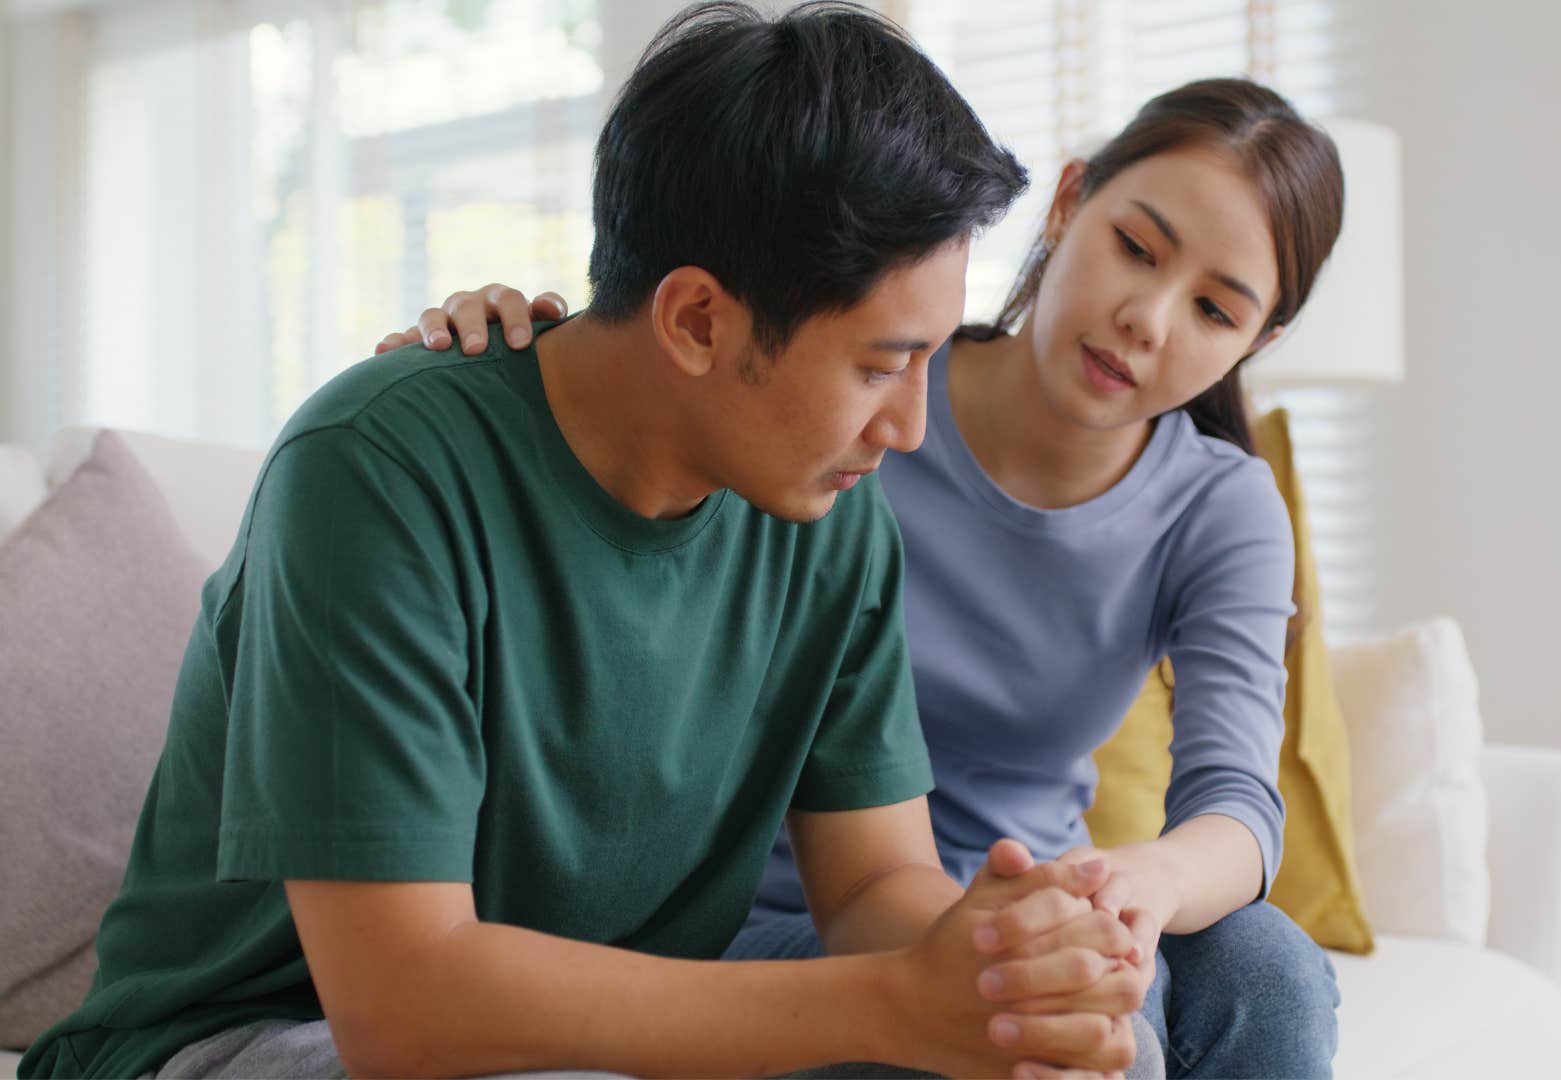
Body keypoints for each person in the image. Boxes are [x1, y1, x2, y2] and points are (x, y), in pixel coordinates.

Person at [19, 4, 1157, 1078]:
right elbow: (399, 1003)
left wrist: (994, 969)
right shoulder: (374, 470)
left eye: (924, 360)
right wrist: (892, 1007)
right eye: (877, 365)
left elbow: (871, 888)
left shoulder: (831, 513)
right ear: (699, 320)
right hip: (245, 1038)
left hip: (598, 1036)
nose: (910, 426)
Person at [395, 75, 1349, 1079]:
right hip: (781, 921)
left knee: (1266, 965)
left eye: (1213, 308)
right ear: (1068, 204)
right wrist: (511, 341)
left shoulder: (1219, 506)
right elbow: (661, 369)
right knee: (1097, 1028)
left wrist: (1129, 888)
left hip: (1025, 897)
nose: (1146, 319)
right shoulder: (844, 393)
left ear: (1260, 342)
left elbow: (1237, 806)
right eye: (1135, 248)